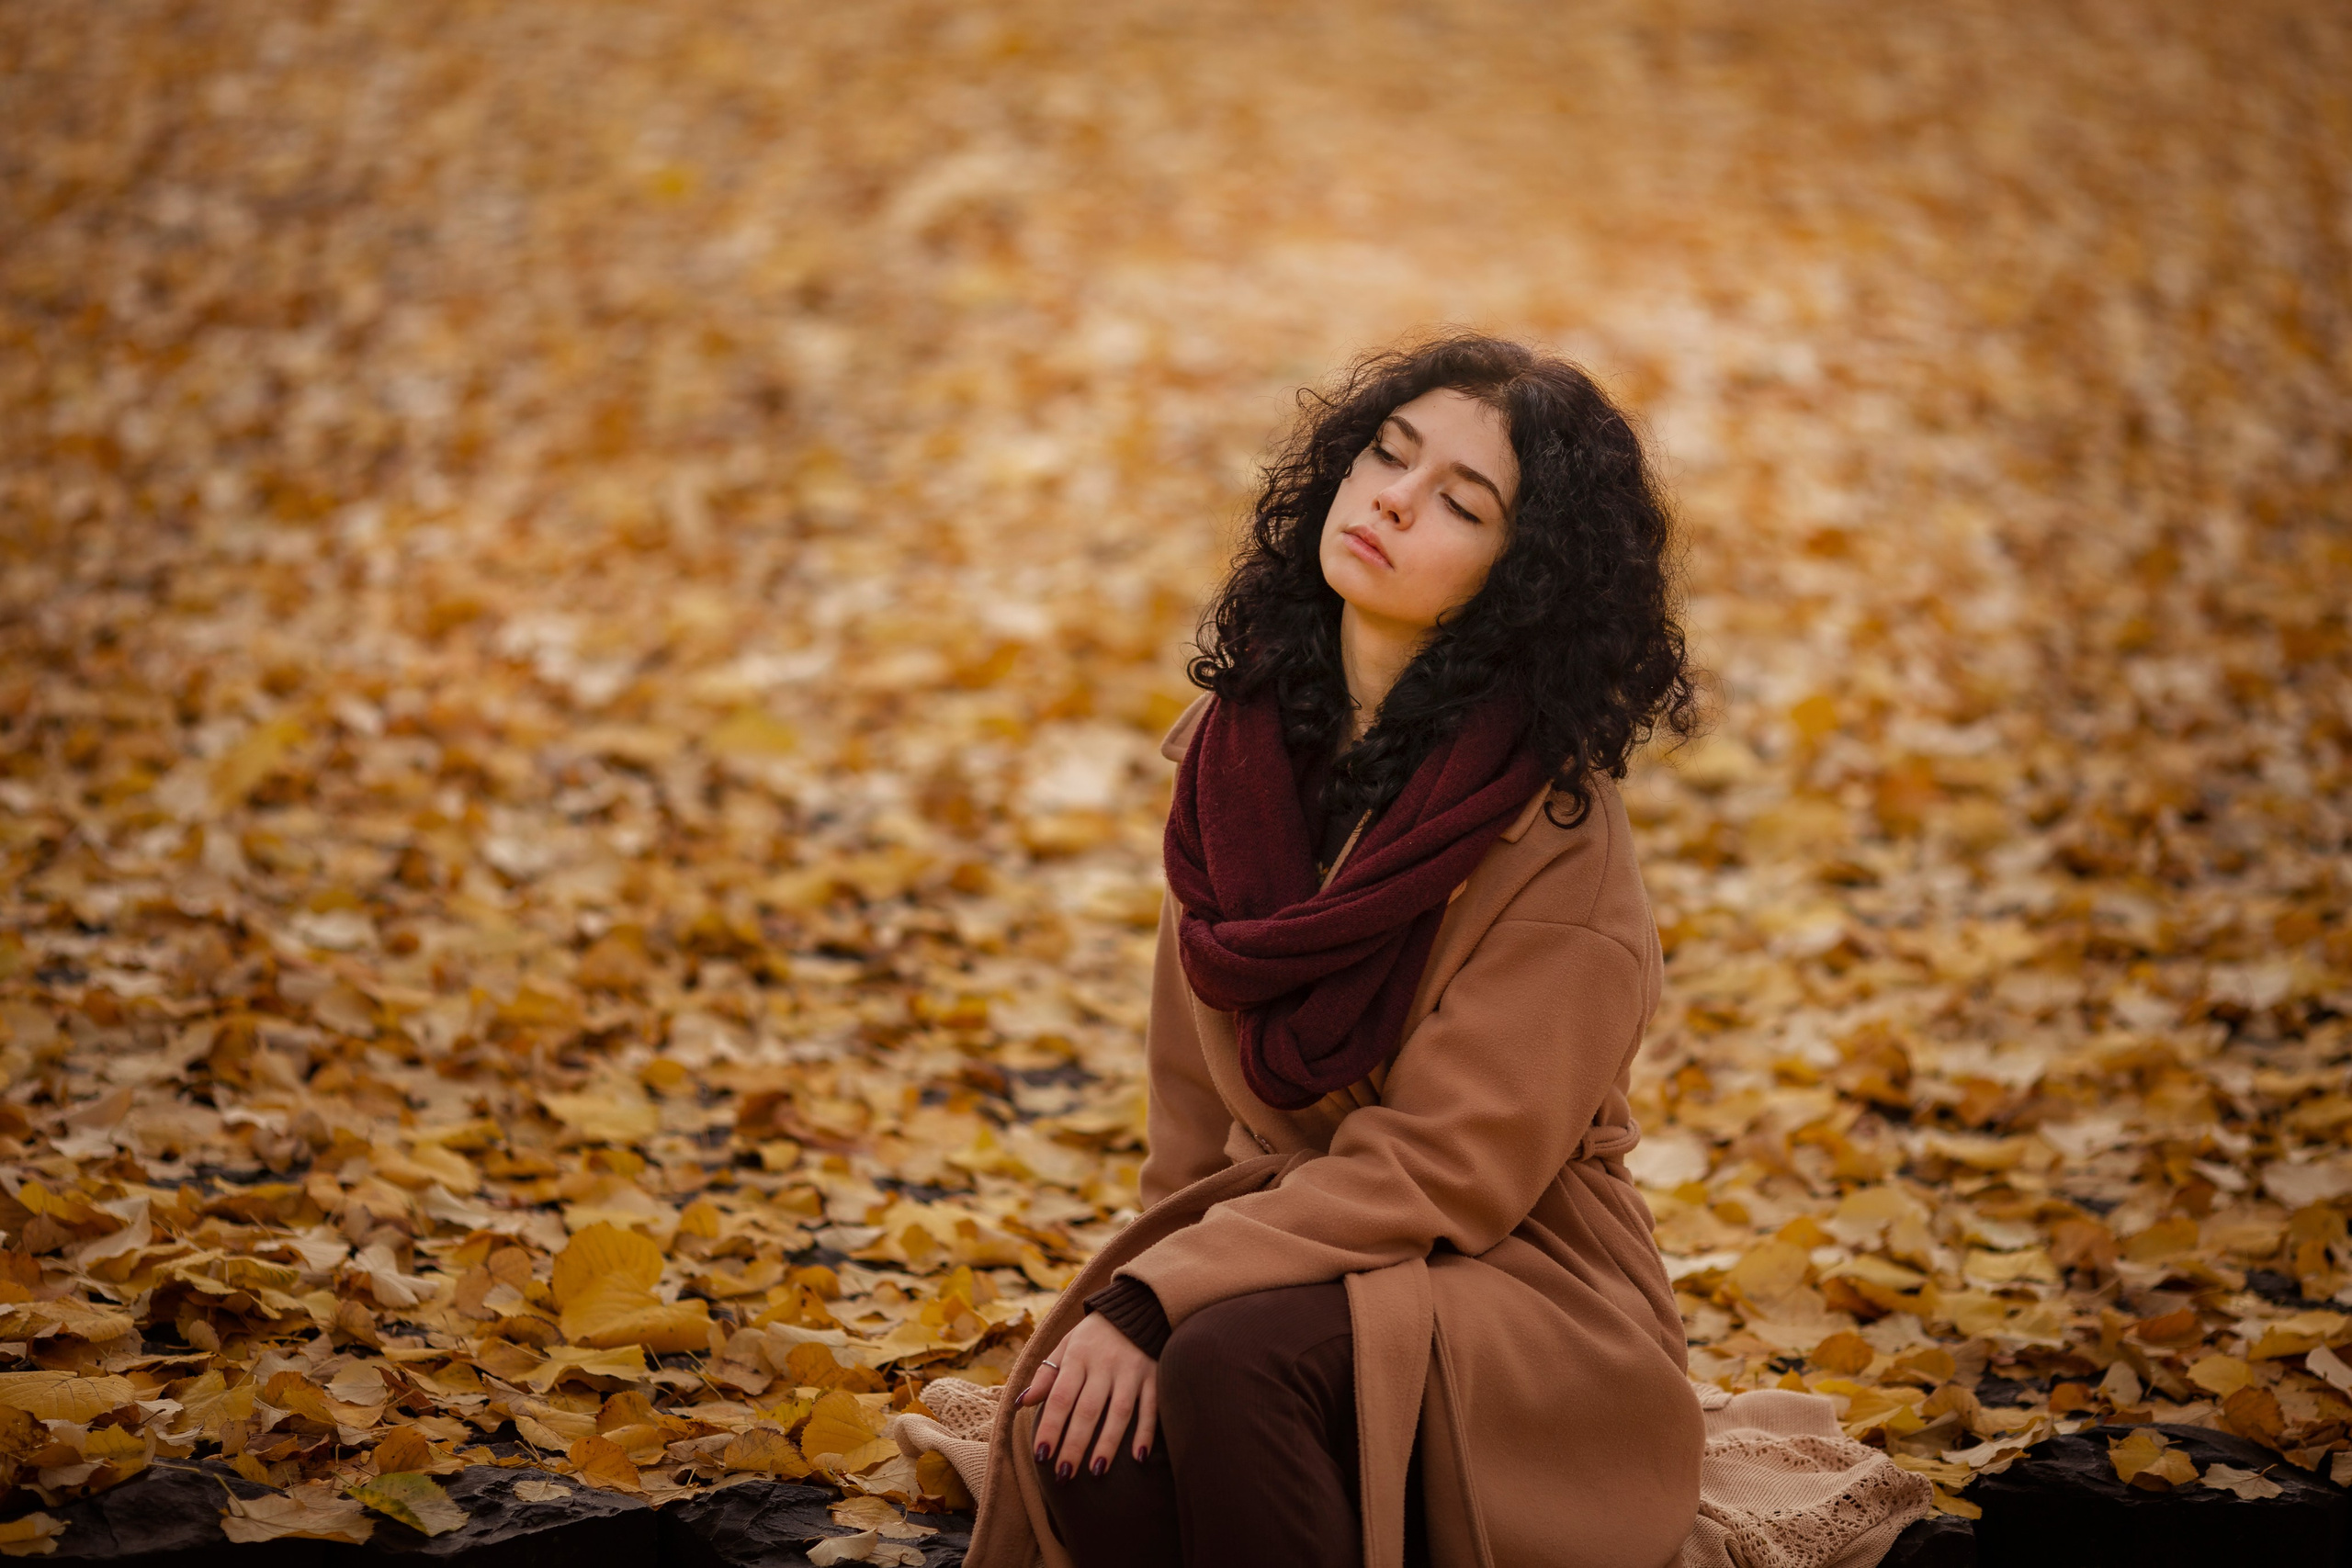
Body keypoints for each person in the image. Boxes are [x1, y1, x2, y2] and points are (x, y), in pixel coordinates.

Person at [966, 333, 1708, 1568]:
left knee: (1223, 1359)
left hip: (1521, 1289)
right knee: (1082, 1426)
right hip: (1292, 1248)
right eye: (1386, 454)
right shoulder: (1233, 759)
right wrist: (1139, 1302)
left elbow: (1448, 1171)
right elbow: (1191, 1119)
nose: (1393, 500)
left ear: (1518, 579)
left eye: (1460, 503)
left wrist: (1166, 1300)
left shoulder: (1554, 840)